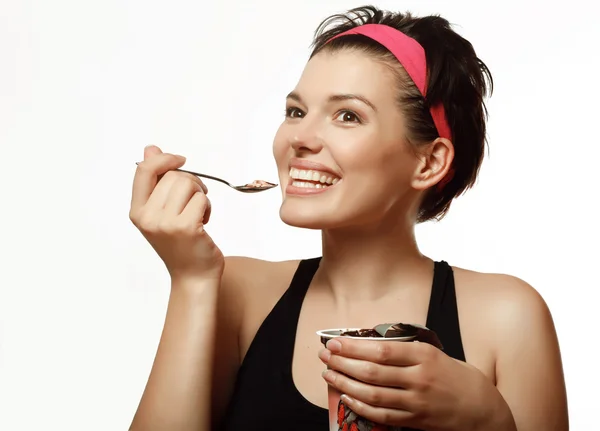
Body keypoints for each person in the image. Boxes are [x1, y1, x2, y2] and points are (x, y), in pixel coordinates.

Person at [127, 5, 568, 431]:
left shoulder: (507, 317)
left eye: (347, 115)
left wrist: (487, 422)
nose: (299, 138)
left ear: (429, 163)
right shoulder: (234, 292)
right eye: (296, 111)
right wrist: (191, 279)